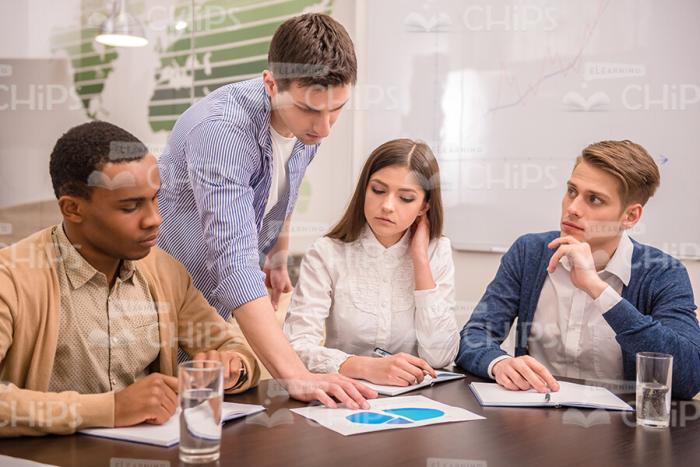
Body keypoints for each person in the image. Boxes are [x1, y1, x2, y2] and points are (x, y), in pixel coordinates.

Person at [157, 13, 375, 408]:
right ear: (271, 84)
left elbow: (287, 177)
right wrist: (298, 377)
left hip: (208, 310)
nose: (325, 128)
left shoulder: (309, 120)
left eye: (337, 109)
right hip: (157, 306)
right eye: (312, 111)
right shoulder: (222, 132)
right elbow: (234, 262)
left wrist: (276, 252)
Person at [0, 122, 260, 437]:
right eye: (130, 206)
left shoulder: (164, 271)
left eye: (154, 199)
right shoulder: (11, 278)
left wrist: (233, 367)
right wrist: (111, 409)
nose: (154, 219)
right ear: (72, 209)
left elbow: (231, 347)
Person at [456, 140, 700, 399]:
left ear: (630, 217)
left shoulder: (663, 272)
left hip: (621, 430)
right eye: (572, 191)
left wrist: (599, 290)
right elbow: (474, 336)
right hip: (533, 420)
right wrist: (499, 363)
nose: (572, 208)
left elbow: (688, 378)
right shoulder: (529, 252)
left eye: (594, 199)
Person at [284, 139, 459, 387]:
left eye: (406, 198)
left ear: (424, 206)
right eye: (378, 190)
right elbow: (296, 345)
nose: (387, 206)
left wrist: (420, 261)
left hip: (416, 401)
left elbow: (441, 356)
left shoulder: (437, 251)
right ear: (364, 190)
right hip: (344, 396)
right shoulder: (327, 252)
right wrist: (365, 367)